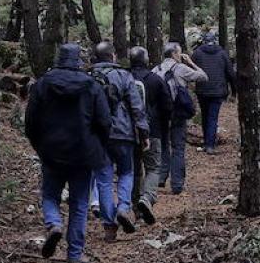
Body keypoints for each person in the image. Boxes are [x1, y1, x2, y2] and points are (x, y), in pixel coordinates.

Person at [25, 43, 111, 262]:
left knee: (50, 195)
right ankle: (74, 255)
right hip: (83, 153)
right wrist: (97, 145)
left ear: (58, 59)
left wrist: (40, 146)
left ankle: (54, 223)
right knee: (80, 204)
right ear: (78, 61)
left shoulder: (42, 85)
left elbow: (30, 122)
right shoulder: (92, 86)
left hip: (52, 152)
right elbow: (104, 121)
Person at [89, 41, 147, 241]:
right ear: (112, 56)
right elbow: (137, 108)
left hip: (97, 136)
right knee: (126, 172)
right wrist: (144, 133)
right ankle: (123, 207)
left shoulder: (88, 78)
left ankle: (109, 225)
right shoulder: (124, 75)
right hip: (123, 133)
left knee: (103, 179)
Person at [153, 41, 207, 195]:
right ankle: (176, 184)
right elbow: (203, 77)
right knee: (178, 148)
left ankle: (161, 178)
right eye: (180, 52)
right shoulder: (181, 68)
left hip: (161, 115)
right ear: (175, 54)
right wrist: (191, 63)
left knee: (163, 146)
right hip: (177, 114)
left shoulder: (155, 70)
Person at [127, 46, 169, 225]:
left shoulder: (124, 78)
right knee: (153, 168)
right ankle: (147, 197)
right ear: (146, 60)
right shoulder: (156, 80)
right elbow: (167, 106)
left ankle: (137, 209)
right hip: (153, 131)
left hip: (128, 132)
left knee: (135, 171)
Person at [191, 31, 236, 153]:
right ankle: (210, 144)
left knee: (205, 116)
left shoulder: (197, 53)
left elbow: (190, 70)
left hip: (202, 90)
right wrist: (234, 91)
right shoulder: (222, 54)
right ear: (214, 41)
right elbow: (231, 73)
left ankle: (207, 142)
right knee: (212, 117)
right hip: (218, 90)